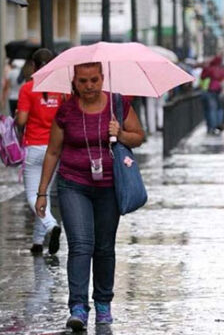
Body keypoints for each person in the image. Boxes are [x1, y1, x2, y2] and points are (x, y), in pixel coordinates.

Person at [35, 62, 145, 331]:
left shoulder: (118, 105)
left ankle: (104, 305)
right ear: (74, 81)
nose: (89, 86)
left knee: (104, 247)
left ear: (102, 77)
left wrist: (119, 134)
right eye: (83, 81)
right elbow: (52, 152)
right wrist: (42, 192)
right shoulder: (66, 111)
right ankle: (78, 308)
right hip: (73, 184)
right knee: (81, 245)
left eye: (94, 80)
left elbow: (139, 137)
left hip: (110, 186)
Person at [15, 49, 63, 255]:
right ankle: (37, 241)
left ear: (33, 67)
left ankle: (51, 226)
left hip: (34, 147)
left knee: (33, 194)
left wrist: (18, 116)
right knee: (44, 193)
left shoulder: (27, 89)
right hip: (56, 149)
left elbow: (22, 121)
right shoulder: (63, 91)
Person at [201, 56, 224, 135]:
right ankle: (219, 125)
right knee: (220, 109)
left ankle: (212, 127)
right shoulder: (223, 70)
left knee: (212, 109)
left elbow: (203, 77)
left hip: (211, 90)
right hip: (220, 90)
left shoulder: (210, 68)